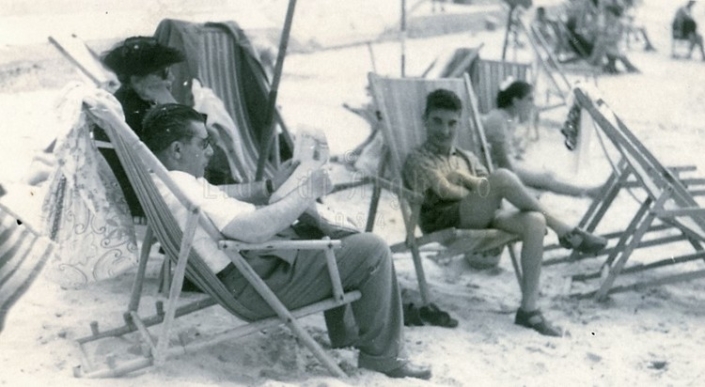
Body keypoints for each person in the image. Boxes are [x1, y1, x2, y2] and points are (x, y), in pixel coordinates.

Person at [140, 103, 432, 380]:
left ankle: (351, 334)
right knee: (373, 250)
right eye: (203, 143)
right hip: (256, 283)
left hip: (250, 268)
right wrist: (306, 193)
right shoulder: (185, 189)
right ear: (177, 149)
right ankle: (383, 358)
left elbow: (222, 194)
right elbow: (252, 231)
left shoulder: (170, 182)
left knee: (328, 232)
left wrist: (270, 187)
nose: (211, 150)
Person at [403, 89, 608, 337]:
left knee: (534, 220)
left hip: (479, 215)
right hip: (444, 223)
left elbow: (484, 187)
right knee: (501, 177)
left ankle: (529, 311)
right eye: (437, 121)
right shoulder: (418, 158)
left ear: (459, 123)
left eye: (452, 123)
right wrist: (481, 190)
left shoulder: (465, 157)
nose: (444, 131)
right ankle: (565, 231)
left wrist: (468, 180)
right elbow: (448, 192)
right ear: (424, 119)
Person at [99, 36, 242, 218]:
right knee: (211, 163)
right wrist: (166, 98)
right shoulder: (132, 112)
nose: (172, 78)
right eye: (163, 73)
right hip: (147, 198)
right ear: (137, 80)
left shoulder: (124, 103)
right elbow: (200, 141)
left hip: (138, 191)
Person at [483, 80, 602, 198]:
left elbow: (506, 150)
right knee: (546, 178)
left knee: (549, 174)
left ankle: (585, 189)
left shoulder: (510, 117)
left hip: (507, 166)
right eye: (529, 99)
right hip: (500, 172)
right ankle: (587, 192)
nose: (532, 103)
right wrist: (522, 184)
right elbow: (503, 162)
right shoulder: (497, 120)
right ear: (515, 101)